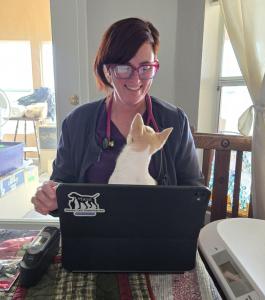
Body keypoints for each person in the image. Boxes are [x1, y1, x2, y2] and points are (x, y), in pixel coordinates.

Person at [31, 17, 203, 216]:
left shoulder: (175, 122)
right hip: (93, 239)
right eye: (124, 67)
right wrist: (50, 199)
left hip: (155, 240)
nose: (136, 78)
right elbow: (61, 190)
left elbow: (193, 194)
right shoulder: (77, 123)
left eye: (146, 67)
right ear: (107, 70)